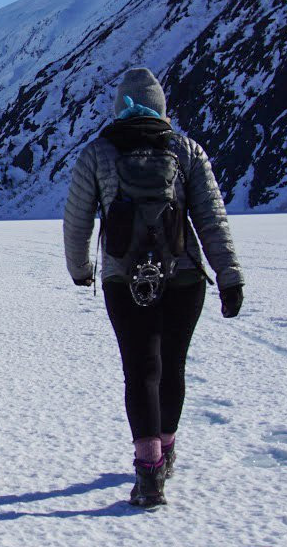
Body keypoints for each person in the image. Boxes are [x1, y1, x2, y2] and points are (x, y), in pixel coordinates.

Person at [63, 67, 243, 508]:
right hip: (182, 277)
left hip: (124, 279)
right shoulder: (187, 151)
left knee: (141, 368)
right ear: (162, 106)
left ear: (119, 105)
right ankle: (166, 451)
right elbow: (211, 220)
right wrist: (229, 275)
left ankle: (148, 473)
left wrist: (81, 268)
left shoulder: (98, 153)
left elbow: (77, 220)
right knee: (172, 367)